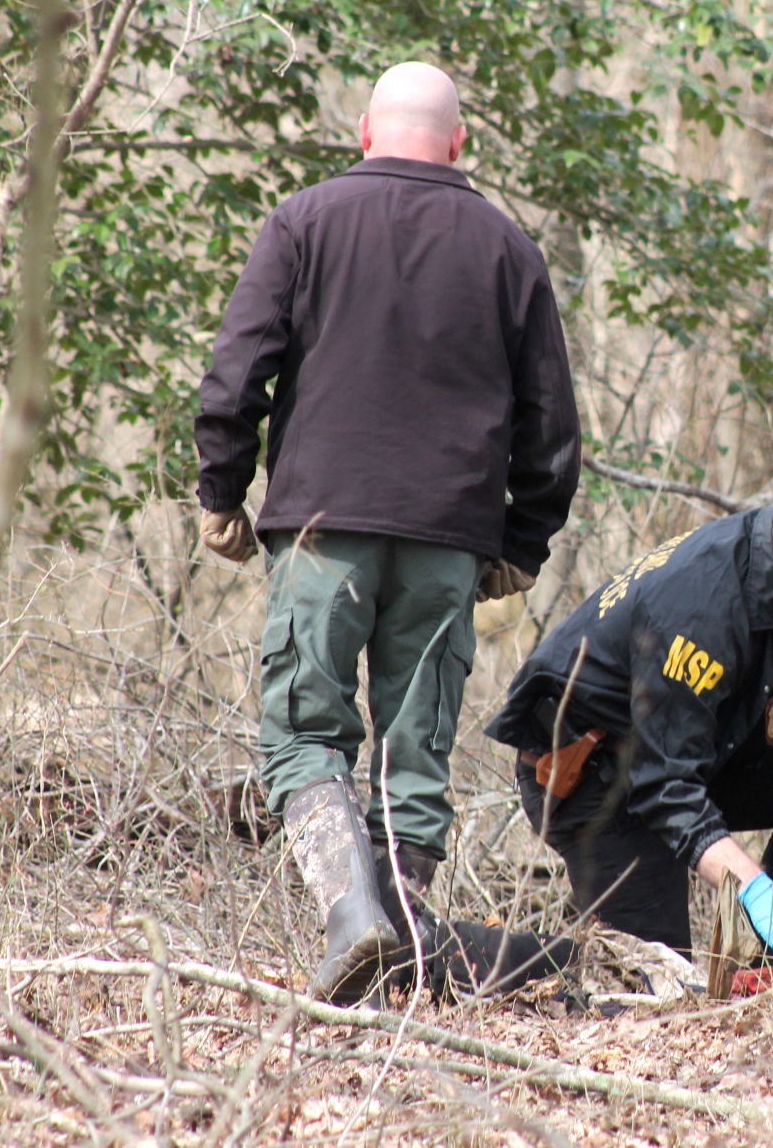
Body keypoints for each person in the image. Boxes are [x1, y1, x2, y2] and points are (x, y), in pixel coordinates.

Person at [193, 62, 582, 1004]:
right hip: (448, 539)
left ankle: (354, 921)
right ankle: (395, 939)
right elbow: (553, 426)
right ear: (458, 144)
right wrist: (519, 544)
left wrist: (221, 489)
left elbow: (238, 369)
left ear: (365, 130)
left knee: (301, 738)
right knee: (415, 751)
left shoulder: (304, 220)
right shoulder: (508, 249)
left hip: (324, 528)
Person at [485, 461, 773, 972]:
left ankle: (766, 974)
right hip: (595, 777)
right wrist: (755, 890)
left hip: (696, 751)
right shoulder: (704, 605)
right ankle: (468, 961)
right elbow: (663, 786)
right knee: (656, 984)